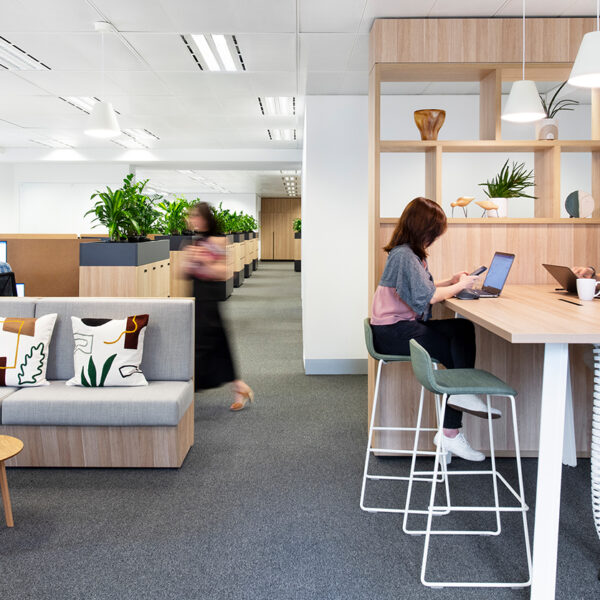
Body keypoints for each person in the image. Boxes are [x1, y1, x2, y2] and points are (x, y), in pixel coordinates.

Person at [370, 197, 502, 462]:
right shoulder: (404, 255)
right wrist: (462, 284)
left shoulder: (407, 254)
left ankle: (457, 411)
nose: (435, 239)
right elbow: (427, 298)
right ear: (424, 229)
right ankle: (452, 427)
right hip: (391, 333)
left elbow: (422, 289)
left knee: (462, 329)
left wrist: (451, 281)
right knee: (454, 349)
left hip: (398, 327)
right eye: (434, 233)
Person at [183, 202, 254, 411]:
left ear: (205, 218)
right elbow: (185, 271)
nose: (192, 220)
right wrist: (190, 261)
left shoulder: (217, 240)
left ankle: (190, 393)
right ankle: (239, 387)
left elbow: (224, 273)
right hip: (196, 298)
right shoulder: (194, 241)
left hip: (209, 300)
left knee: (207, 345)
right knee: (215, 344)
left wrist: (203, 262)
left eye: (195, 216)